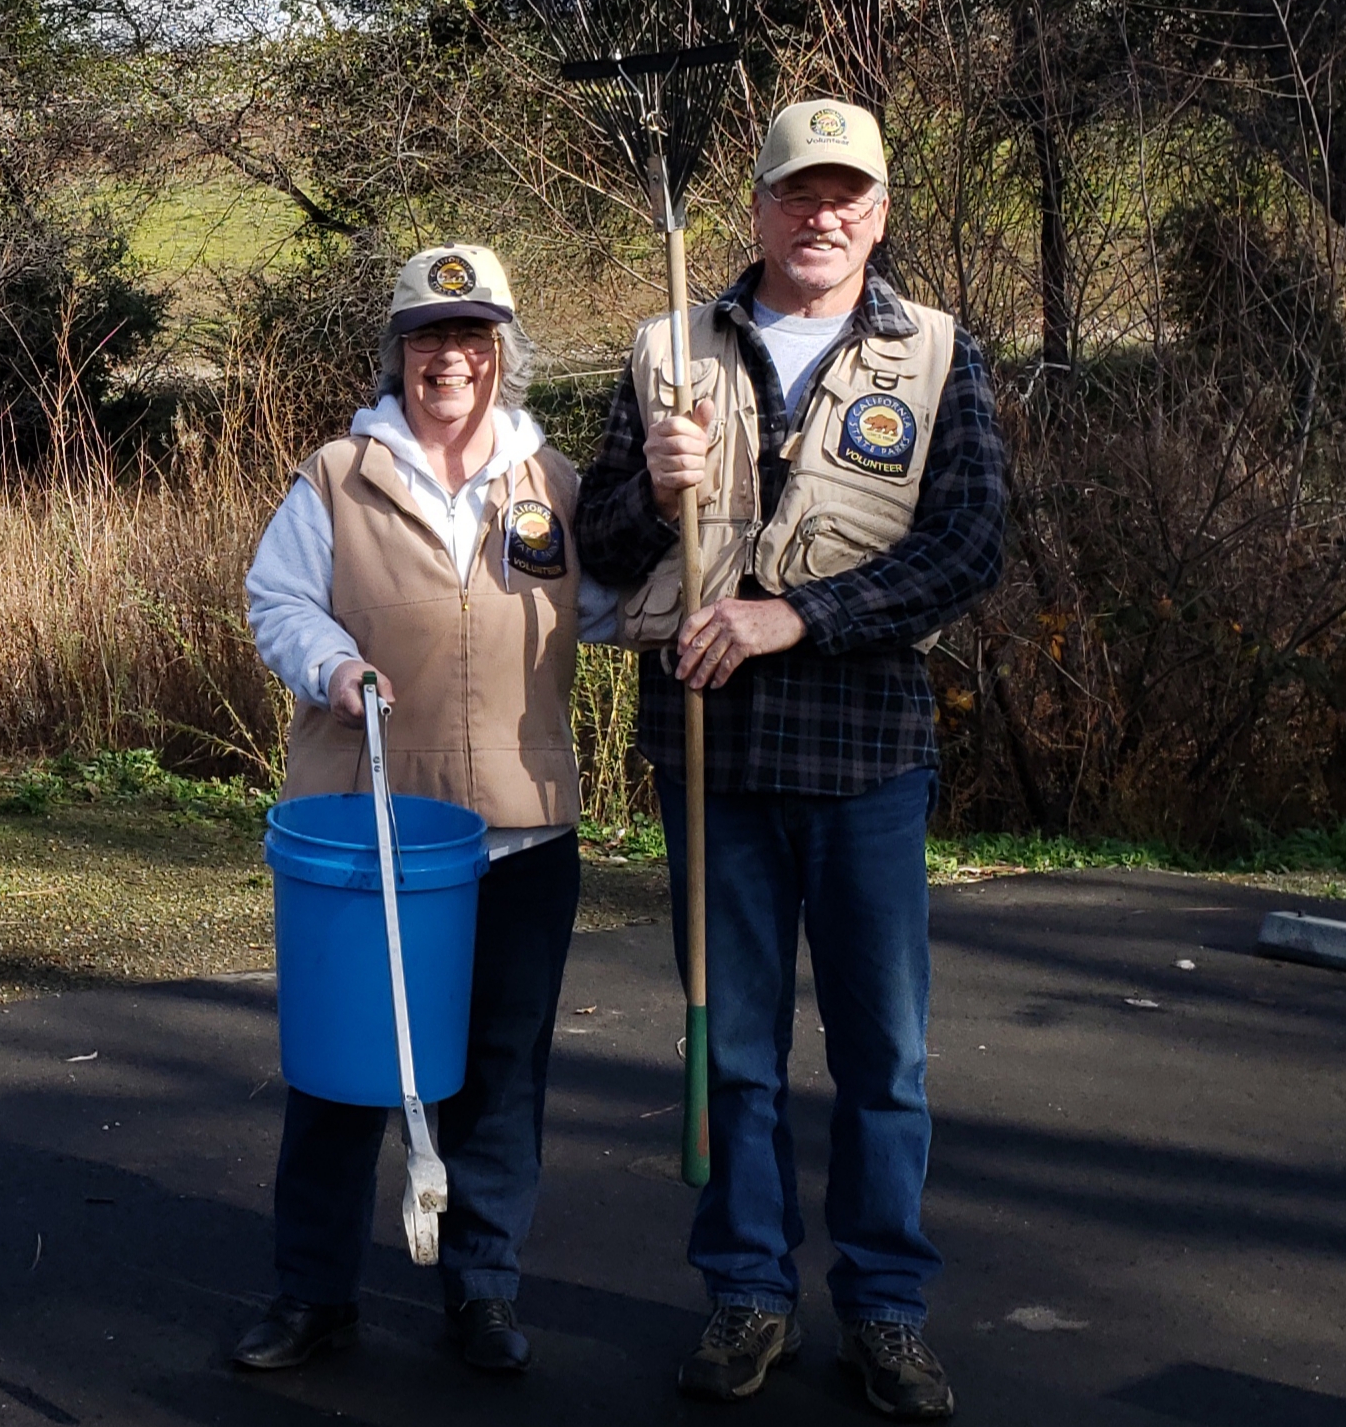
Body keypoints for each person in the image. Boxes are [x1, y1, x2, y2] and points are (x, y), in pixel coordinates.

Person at [572, 100, 1007, 1422]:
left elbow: (967, 543)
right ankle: (745, 1297)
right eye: (796, 194)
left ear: (875, 214)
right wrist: (648, 490)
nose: (820, 218)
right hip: (710, 764)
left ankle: (882, 1311)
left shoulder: (935, 354)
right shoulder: (665, 349)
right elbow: (588, 550)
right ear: (755, 207)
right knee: (735, 1050)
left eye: (846, 198)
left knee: (885, 1060)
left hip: (866, 759)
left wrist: (794, 613)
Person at [233, 243, 622, 1378]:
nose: (446, 357)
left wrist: (689, 530)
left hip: (521, 832)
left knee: (501, 1074)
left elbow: (613, 605)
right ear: (395, 353)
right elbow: (277, 598)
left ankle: (482, 1293)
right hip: (372, 832)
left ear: (498, 353)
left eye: (468, 337)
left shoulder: (553, 483)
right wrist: (331, 665)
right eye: (425, 337)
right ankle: (313, 1296)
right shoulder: (336, 476)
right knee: (343, 1074)